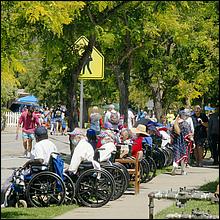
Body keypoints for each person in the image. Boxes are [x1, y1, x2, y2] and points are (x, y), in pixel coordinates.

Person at [170, 110, 192, 175]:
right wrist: (192, 141)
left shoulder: (174, 123)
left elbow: (171, 134)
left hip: (176, 142)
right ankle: (182, 171)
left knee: (176, 156)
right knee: (184, 156)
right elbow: (189, 134)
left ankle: (175, 166)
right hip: (183, 143)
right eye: (186, 115)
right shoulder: (185, 124)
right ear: (183, 116)